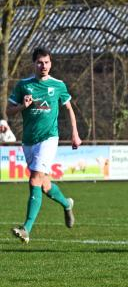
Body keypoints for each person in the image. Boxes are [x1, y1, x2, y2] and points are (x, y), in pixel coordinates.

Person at [7, 47, 81, 244]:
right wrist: (24, 106)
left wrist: (75, 133)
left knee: (34, 180)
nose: (44, 66)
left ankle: (26, 229)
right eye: (40, 62)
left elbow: (69, 108)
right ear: (34, 64)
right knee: (44, 184)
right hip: (29, 141)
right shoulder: (24, 85)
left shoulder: (58, 85)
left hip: (49, 138)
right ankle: (66, 204)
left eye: (47, 62)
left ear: (51, 63)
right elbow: (8, 111)